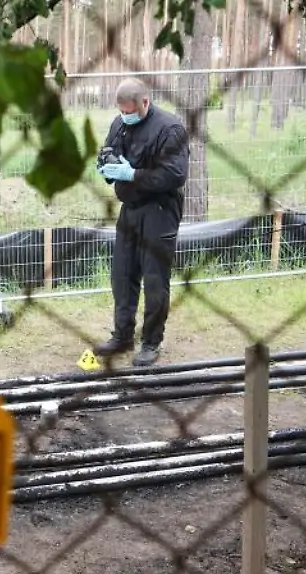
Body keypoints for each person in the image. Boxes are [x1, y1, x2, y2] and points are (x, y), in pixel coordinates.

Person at [93, 78, 190, 366]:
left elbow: (175, 175)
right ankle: (122, 335)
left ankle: (151, 342)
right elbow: (110, 152)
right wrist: (107, 168)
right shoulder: (120, 123)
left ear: (145, 102)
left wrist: (133, 175)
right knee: (122, 275)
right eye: (121, 111)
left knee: (154, 279)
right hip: (130, 209)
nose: (125, 116)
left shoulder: (170, 129)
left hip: (160, 210)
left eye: (129, 111)